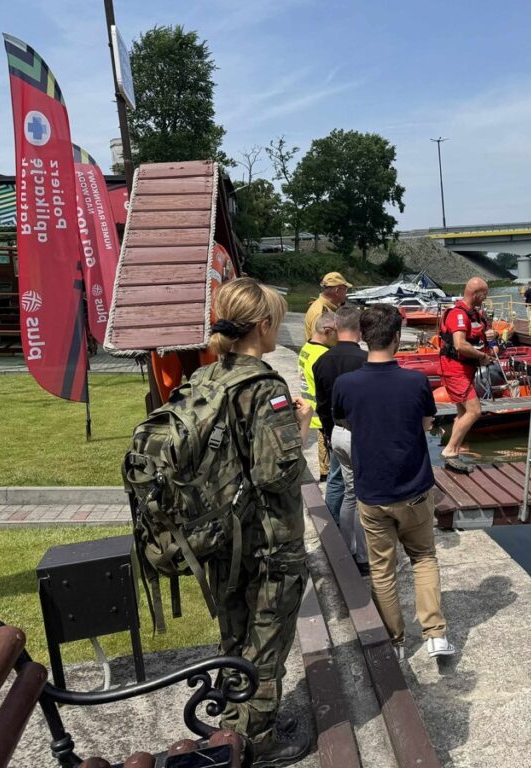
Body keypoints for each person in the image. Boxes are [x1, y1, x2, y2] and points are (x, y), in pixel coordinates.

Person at [204, 277, 314, 767]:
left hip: (221, 536)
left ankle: (233, 722)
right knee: (266, 640)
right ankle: (259, 742)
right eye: (278, 318)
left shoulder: (208, 377)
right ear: (264, 325)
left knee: (235, 635)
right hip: (268, 540)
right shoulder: (264, 385)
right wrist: (302, 426)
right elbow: (276, 473)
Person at [332, 303, 455, 661]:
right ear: (397, 338)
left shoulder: (346, 384)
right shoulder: (416, 381)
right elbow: (428, 424)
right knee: (423, 557)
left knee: (382, 570)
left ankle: (396, 642)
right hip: (414, 488)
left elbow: (345, 423)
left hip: (372, 491)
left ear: (364, 338)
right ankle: (434, 635)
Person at [312, 306, 368, 572]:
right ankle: (364, 557)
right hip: (361, 434)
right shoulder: (365, 360)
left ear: (336, 326)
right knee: (363, 497)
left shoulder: (320, 362)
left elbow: (322, 404)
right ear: (359, 329)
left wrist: (327, 433)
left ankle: (347, 547)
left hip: (336, 432)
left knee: (348, 494)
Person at [438, 277, 494, 471]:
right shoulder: (458, 314)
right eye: (484, 295)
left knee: (462, 412)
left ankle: (455, 454)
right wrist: (481, 356)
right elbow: (460, 344)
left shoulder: (473, 315)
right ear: (475, 294)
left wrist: (487, 337)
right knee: (474, 410)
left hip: (465, 369)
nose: (485, 299)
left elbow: (473, 336)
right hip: (455, 371)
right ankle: (450, 451)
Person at [297, 312, 337, 484]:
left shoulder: (307, 348)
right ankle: (326, 476)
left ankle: (324, 473)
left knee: (323, 447)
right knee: (327, 448)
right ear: (327, 331)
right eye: (338, 331)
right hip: (322, 412)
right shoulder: (323, 355)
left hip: (312, 410)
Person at [303, 271, 352, 342]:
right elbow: (318, 342)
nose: (346, 293)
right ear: (337, 291)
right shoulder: (320, 312)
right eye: (345, 289)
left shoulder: (322, 305)